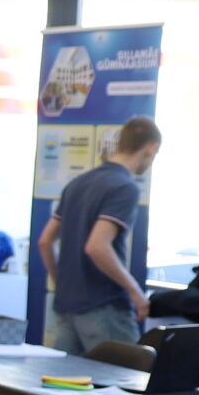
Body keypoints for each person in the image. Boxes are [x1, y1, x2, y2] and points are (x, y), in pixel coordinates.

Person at [39, 116, 162, 353]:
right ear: (151, 148)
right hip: (103, 307)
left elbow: (45, 242)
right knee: (125, 374)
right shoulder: (124, 187)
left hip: (66, 307)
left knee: (65, 377)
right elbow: (97, 246)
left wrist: (61, 283)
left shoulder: (77, 183)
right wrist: (135, 291)